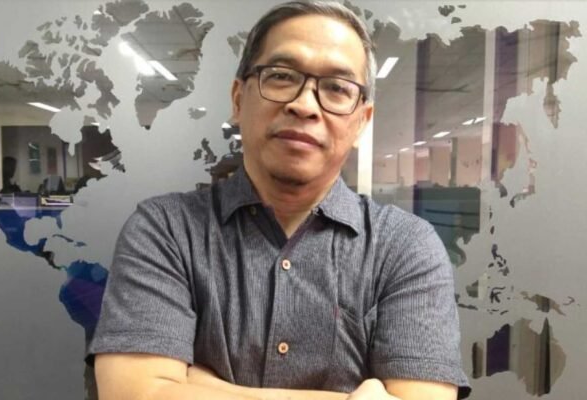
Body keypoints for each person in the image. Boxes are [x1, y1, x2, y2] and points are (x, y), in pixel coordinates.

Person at [88, 1, 470, 399]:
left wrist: (200, 386)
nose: (304, 105)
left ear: (361, 121)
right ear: (238, 99)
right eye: (282, 76)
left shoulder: (405, 247)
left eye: (337, 88)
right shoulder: (165, 230)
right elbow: (133, 395)